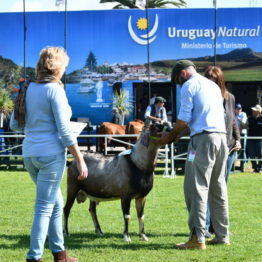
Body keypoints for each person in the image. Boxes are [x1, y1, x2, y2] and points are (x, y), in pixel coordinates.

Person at [10, 47, 88, 262]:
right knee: (44, 207)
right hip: (51, 155)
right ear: (57, 67)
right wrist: (80, 160)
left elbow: (15, 125)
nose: (65, 70)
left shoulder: (28, 88)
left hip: (30, 154)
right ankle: (34, 257)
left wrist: (37, 126)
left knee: (55, 203)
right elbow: (64, 130)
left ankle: (60, 254)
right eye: (64, 66)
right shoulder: (55, 89)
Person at [155, 60, 230, 249]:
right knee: (218, 188)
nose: (179, 84)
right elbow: (208, 117)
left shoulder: (189, 85)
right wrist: (178, 134)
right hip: (221, 138)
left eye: (177, 81)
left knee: (196, 188)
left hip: (202, 141)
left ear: (182, 74)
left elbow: (183, 119)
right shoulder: (212, 86)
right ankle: (222, 236)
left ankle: (198, 238)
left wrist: (171, 136)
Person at [204, 66, 241, 238]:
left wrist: (238, 140)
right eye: (208, 79)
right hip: (210, 146)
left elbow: (233, 121)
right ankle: (203, 226)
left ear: (220, 80)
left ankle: (216, 227)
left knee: (220, 189)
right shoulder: (203, 97)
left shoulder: (230, 98)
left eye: (214, 79)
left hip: (228, 147)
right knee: (204, 187)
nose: (211, 82)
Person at [246, 104, 262, 173]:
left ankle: (260, 168)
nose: (253, 111)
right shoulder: (249, 118)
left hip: (260, 140)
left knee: (260, 154)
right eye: (253, 110)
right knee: (251, 154)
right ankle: (255, 168)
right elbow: (245, 126)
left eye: (255, 110)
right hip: (250, 140)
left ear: (259, 112)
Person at [234, 103, 248, 171]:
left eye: (240, 109)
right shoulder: (233, 115)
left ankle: (242, 167)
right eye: (237, 109)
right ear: (234, 109)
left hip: (242, 134)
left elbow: (243, 124)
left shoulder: (243, 114)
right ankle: (232, 167)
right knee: (234, 149)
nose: (239, 110)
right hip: (235, 134)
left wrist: (239, 119)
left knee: (242, 149)